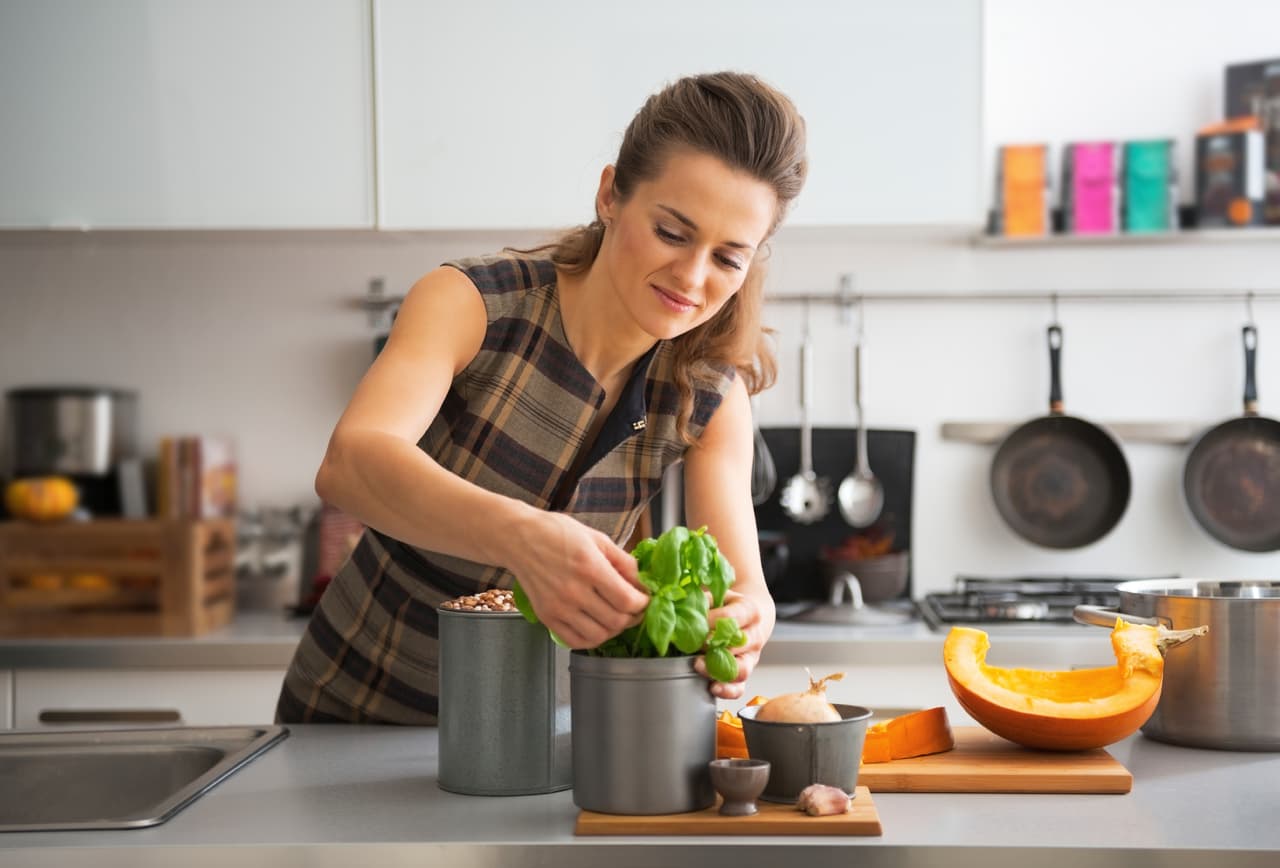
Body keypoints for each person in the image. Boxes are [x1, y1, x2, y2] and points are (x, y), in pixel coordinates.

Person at [276, 71, 808, 724]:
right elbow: (351, 463)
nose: (693, 277)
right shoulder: (476, 303)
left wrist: (750, 617)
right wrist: (525, 538)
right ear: (611, 194)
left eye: (728, 258)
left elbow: (744, 584)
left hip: (530, 742)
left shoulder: (708, 394)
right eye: (672, 232)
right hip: (348, 720)